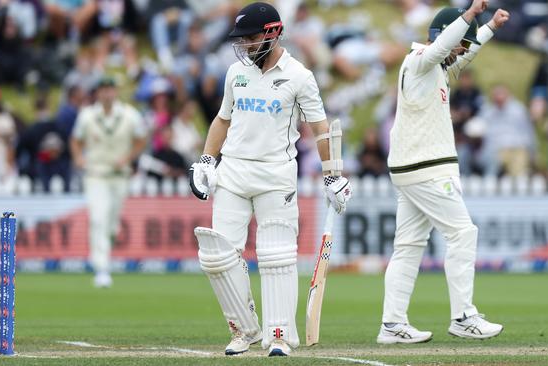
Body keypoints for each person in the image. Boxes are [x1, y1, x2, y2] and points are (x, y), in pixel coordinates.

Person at [188, 2, 352, 357]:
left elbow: (320, 128)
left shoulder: (299, 76)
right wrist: (206, 159)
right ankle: (242, 329)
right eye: (241, 39)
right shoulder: (236, 73)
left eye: (249, 38)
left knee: (276, 257)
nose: (244, 45)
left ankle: (278, 334)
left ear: (272, 33)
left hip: (276, 176)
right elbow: (222, 120)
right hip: (232, 172)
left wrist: (332, 176)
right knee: (217, 255)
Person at [380, 0, 508, 344]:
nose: (460, 53)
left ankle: (392, 325)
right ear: (445, 38)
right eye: (458, 44)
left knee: (408, 246)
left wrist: (490, 27)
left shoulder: (436, 69)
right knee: (462, 233)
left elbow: (463, 54)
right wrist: (468, 15)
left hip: (412, 169)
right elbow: (446, 48)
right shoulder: (420, 60)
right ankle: (463, 316)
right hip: (426, 169)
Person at [69, 77, 147, 288]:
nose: (106, 93)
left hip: (119, 176)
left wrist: (129, 157)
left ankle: (104, 255)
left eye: (110, 89)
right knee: (98, 218)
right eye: (102, 89)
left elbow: (141, 139)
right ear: (97, 93)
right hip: (95, 174)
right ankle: (101, 268)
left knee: (111, 226)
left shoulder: (130, 115)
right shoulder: (87, 115)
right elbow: (76, 139)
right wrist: (78, 158)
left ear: (116, 91)